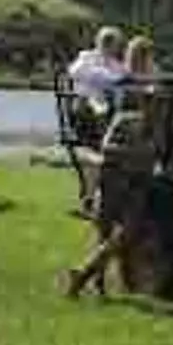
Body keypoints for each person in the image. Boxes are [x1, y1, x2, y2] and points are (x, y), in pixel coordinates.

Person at [60, 84, 158, 298]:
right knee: (104, 231)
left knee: (126, 234)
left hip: (138, 185)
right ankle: (97, 283)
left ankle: (82, 273)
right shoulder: (125, 120)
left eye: (157, 103)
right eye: (150, 101)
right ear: (142, 103)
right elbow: (107, 148)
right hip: (115, 179)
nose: (153, 107)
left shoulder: (160, 128)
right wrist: (135, 154)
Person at [67, 26, 128, 115]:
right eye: (116, 44)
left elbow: (124, 77)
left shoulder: (114, 63)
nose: (118, 48)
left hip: (110, 102)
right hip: (86, 102)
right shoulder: (87, 57)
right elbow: (74, 71)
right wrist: (104, 76)